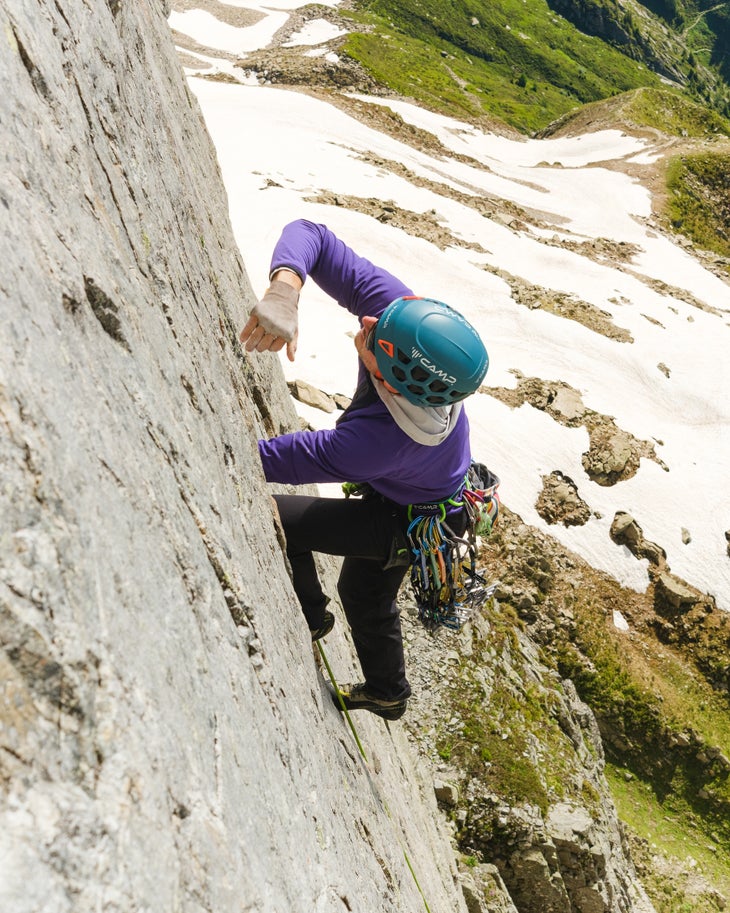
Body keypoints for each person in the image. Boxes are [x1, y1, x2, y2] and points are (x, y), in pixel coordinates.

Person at [240, 220, 489, 720]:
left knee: (284, 522)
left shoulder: (380, 441)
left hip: (408, 520)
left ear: (394, 382)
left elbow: (269, 461)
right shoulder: (407, 324)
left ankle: (312, 618)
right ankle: (389, 692)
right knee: (363, 591)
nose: (369, 322)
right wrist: (284, 289)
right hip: (421, 496)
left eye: (379, 338)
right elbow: (312, 235)